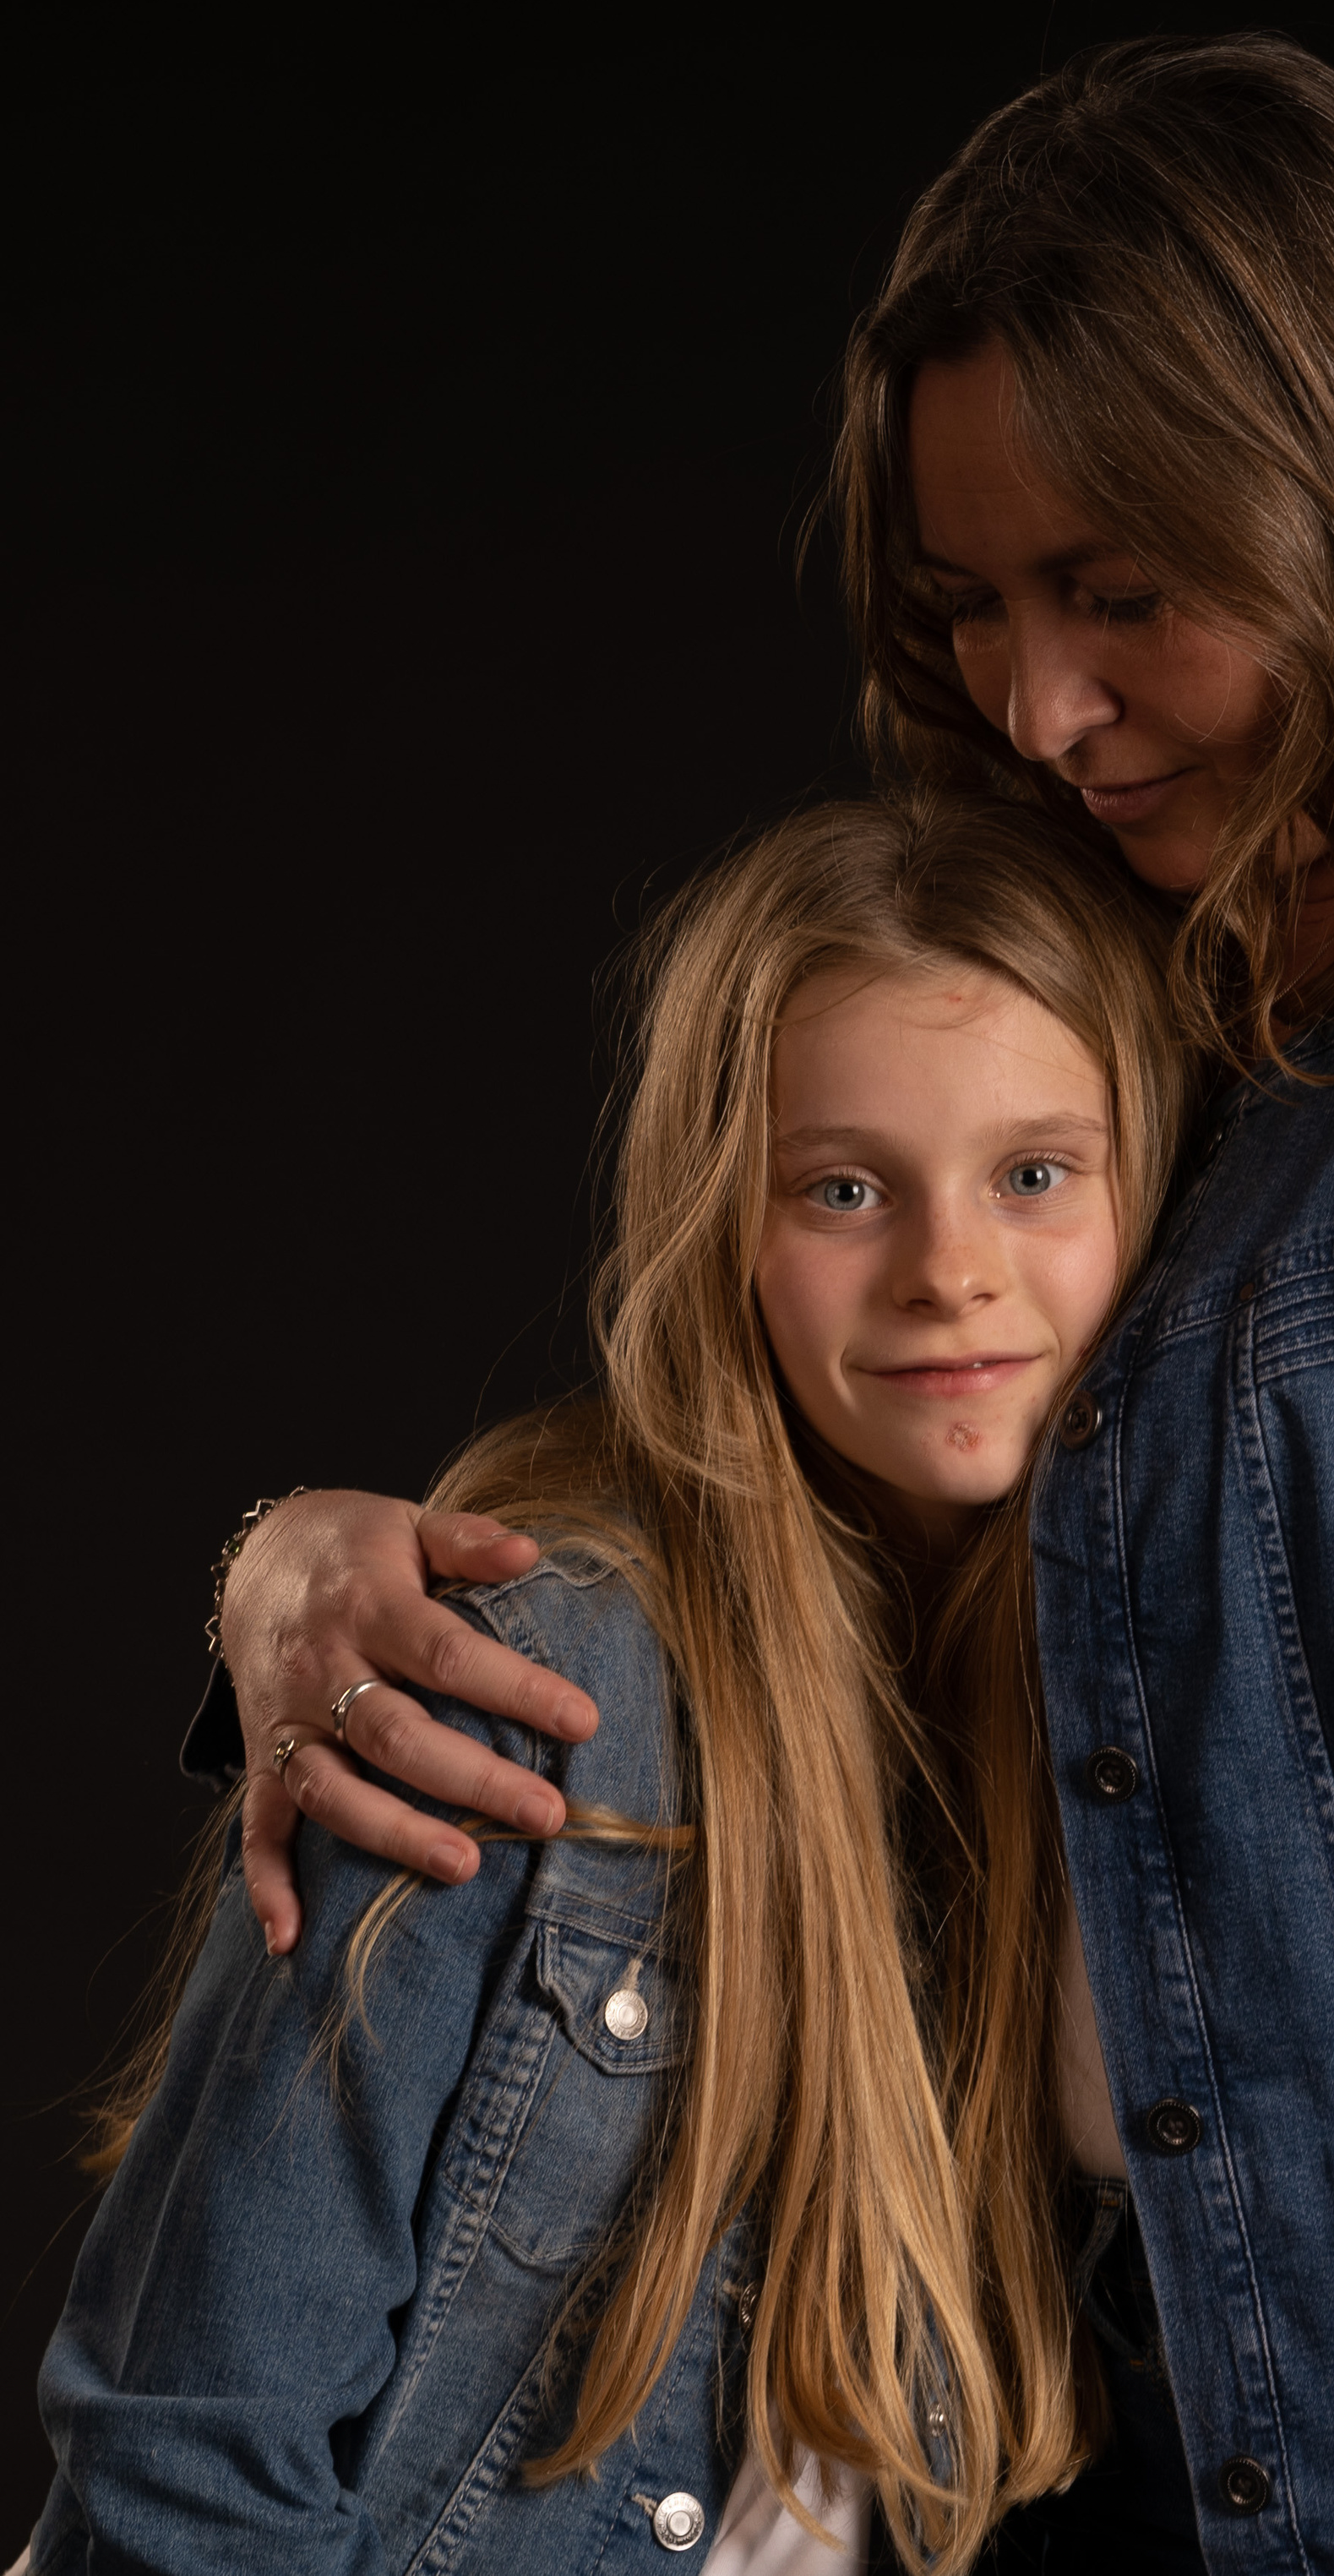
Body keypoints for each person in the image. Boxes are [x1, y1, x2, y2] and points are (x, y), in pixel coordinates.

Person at [195, 37, 1334, 2569]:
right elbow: (805, 1462)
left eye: (1120, 593)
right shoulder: (1157, 964)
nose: (1036, 706)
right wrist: (297, 1564)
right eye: (972, 607)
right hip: (1197, 2474)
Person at [25, 794, 1200, 2574]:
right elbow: (186, 2459)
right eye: (843, 1188)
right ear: (723, 1220)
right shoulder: (533, 1675)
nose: (949, 1270)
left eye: (1034, 1174)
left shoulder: (1121, 1710)